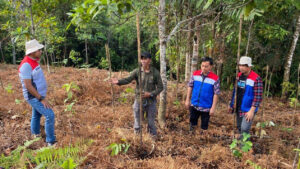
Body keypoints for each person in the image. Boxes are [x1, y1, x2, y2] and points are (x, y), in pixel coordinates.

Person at [111, 52, 163, 137]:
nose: (143, 61)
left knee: (151, 123)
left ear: (149, 60)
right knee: (137, 123)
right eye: (141, 58)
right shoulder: (137, 71)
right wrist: (118, 82)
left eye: (145, 58)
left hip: (151, 102)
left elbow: (161, 87)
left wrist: (150, 94)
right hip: (139, 100)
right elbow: (128, 79)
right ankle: (137, 140)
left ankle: (153, 140)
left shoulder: (155, 72)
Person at [18, 39, 56, 146]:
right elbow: (28, 85)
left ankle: (35, 135)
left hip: (38, 95)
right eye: (38, 50)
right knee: (50, 115)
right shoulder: (26, 65)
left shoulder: (33, 61)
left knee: (36, 115)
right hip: (33, 97)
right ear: (32, 52)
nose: (40, 51)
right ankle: (51, 141)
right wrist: (41, 98)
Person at [229, 56, 263, 139]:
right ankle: (241, 145)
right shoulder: (239, 76)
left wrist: (252, 110)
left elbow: (258, 97)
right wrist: (231, 104)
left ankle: (245, 148)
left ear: (249, 66)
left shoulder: (256, 78)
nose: (241, 67)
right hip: (238, 106)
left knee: (245, 128)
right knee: (240, 127)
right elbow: (235, 91)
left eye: (244, 65)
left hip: (248, 108)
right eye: (240, 65)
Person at [185, 57, 220, 133]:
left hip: (206, 107)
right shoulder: (195, 74)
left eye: (206, 66)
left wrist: (213, 108)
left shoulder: (215, 78)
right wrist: (187, 100)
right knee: (192, 124)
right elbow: (190, 86)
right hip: (194, 105)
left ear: (211, 66)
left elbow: (216, 93)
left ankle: (202, 139)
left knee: (204, 127)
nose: (204, 68)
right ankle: (192, 137)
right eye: (202, 66)